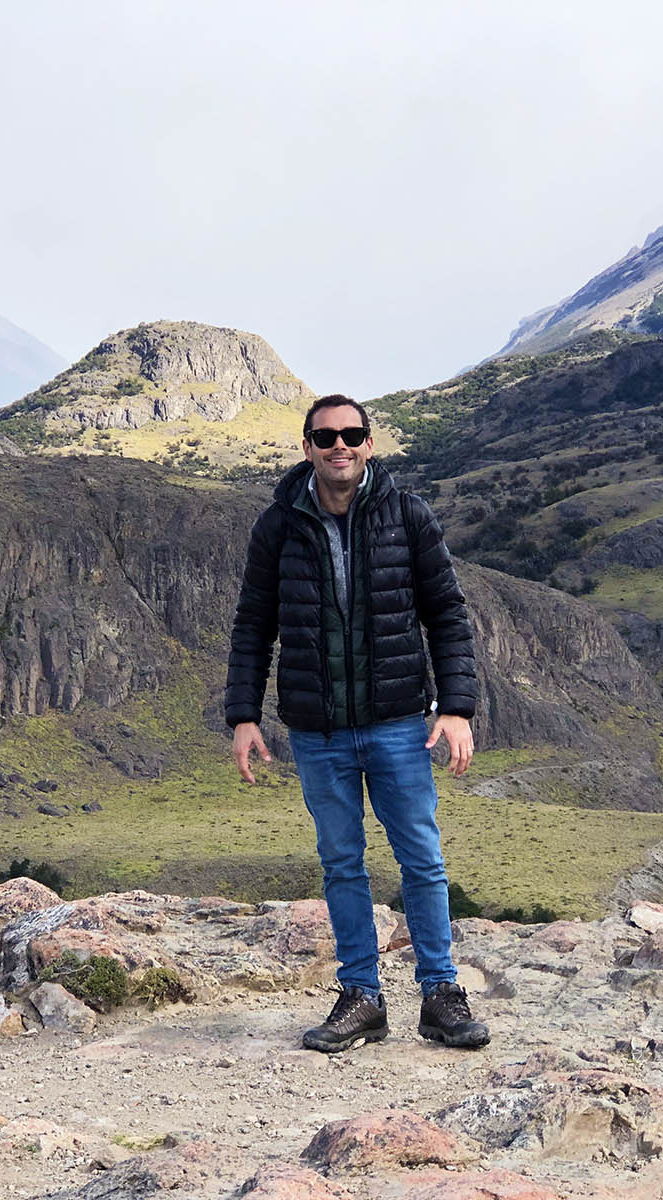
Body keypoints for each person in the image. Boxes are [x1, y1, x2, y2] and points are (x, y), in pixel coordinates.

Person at [225, 393, 489, 1053]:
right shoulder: (278, 526)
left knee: (421, 860)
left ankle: (441, 995)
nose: (339, 446)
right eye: (326, 437)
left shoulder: (408, 516)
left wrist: (456, 707)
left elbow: (447, 615)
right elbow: (253, 626)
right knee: (342, 863)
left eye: (352, 434)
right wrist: (243, 716)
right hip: (317, 732)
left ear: (370, 444)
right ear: (307, 446)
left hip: (399, 724)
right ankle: (361, 998)